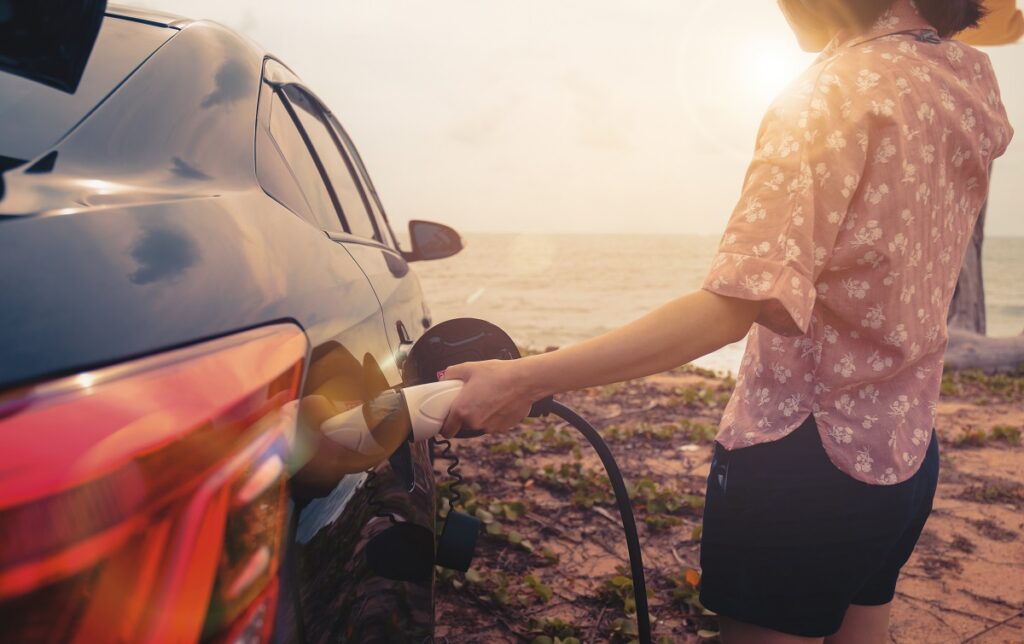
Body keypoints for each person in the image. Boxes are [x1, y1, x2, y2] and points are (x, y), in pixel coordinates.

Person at [437, 0, 1014, 641]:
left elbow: (732, 308)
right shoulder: (967, 82)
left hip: (805, 457)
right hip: (903, 452)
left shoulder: (835, 90)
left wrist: (522, 379)